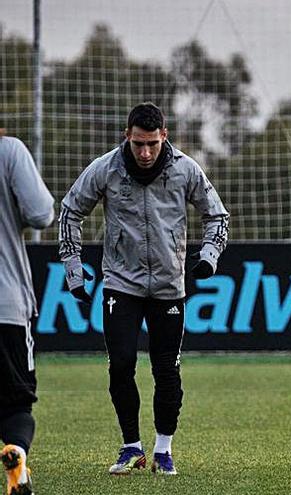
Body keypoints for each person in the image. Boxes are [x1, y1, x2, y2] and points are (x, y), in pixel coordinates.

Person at [59, 103, 229, 476]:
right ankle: (131, 448)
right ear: (127, 137)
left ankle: (163, 450)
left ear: (164, 136)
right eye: (139, 144)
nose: (146, 152)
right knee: (120, 364)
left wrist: (210, 256)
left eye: (152, 143)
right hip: (122, 282)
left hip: (169, 286)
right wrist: (73, 269)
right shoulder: (106, 168)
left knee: (166, 369)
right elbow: (70, 211)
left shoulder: (186, 169)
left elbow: (217, 214)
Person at [0, 130, 54, 495]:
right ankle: (16, 453)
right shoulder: (9, 150)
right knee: (16, 403)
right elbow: (41, 213)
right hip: (5, 306)